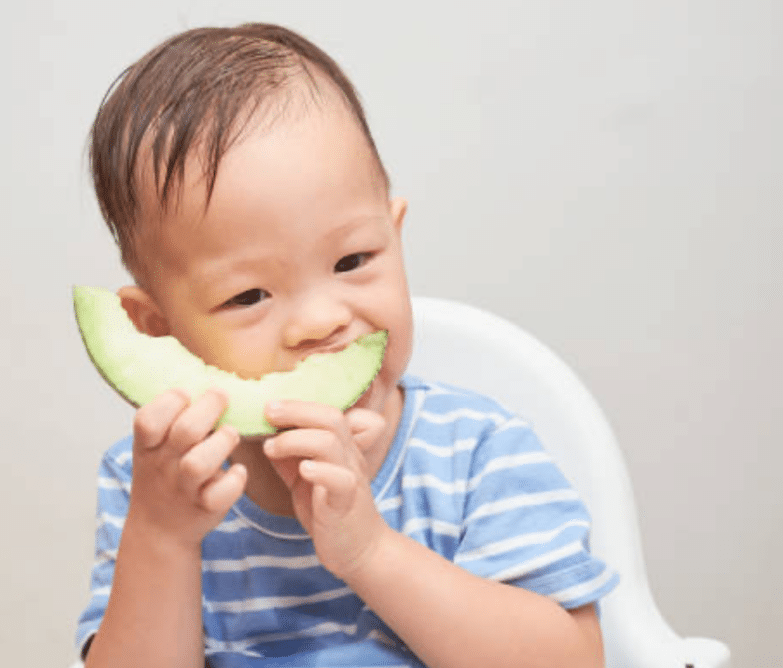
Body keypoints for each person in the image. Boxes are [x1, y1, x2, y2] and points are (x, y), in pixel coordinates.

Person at [75, 22, 618, 668]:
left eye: (353, 259)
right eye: (249, 296)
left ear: (396, 235)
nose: (321, 321)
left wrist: (370, 551)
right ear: (157, 331)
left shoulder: (475, 451)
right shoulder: (158, 488)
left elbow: (572, 661)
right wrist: (162, 540)